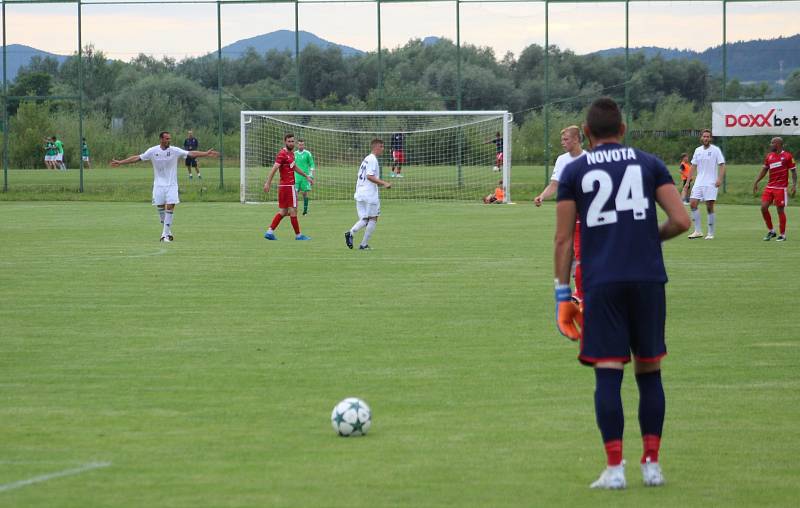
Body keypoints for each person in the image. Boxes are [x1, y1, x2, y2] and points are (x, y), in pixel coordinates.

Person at [554, 97, 690, 490]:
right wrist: (649, 239)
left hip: (603, 282)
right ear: (624, 129)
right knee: (649, 370)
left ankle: (615, 469)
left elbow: (564, 241)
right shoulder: (649, 163)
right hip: (648, 278)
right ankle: (652, 465)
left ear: (587, 131)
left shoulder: (576, 170)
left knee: (608, 372)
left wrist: (563, 295)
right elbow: (680, 220)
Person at [111, 131, 219, 242]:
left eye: (169, 139)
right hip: (158, 185)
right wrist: (120, 162)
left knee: (170, 206)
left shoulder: (174, 151)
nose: (169, 140)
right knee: (161, 207)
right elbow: (137, 158)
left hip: (171, 185)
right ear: (161, 139)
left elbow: (191, 153)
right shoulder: (152, 151)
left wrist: (206, 153)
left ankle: (164, 235)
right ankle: (167, 232)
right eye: (167, 139)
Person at [535, 125, 586, 301]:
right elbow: (554, 184)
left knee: (581, 253)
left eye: (566, 139)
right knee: (570, 253)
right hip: (568, 214)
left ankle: (581, 292)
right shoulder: (562, 160)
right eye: (562, 139)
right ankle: (580, 289)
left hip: (586, 214)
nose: (562, 143)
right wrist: (542, 196)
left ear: (577, 139)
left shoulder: (590, 159)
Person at [344, 138, 392, 250]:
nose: (382, 149)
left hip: (360, 192)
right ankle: (363, 244)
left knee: (365, 219)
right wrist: (384, 183)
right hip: (369, 194)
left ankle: (350, 233)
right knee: (373, 218)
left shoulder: (366, 158)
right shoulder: (373, 160)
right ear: (376, 147)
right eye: (381, 146)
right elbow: (369, 176)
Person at [264, 133, 313, 241]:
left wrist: (306, 176)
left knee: (284, 211)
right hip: (288, 186)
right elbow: (274, 168)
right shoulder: (282, 154)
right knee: (293, 211)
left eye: (292, 141)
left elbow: (294, 167)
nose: (291, 143)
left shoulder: (291, 154)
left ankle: (269, 232)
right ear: (285, 142)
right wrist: (268, 182)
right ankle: (299, 235)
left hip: (285, 186)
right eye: (289, 141)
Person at [683, 129, 725, 240]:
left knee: (709, 207)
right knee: (692, 204)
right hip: (699, 182)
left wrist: (719, 179)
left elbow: (722, 165)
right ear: (701, 138)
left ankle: (710, 233)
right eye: (704, 136)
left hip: (711, 182)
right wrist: (687, 182)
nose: (706, 138)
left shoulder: (716, 150)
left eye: (708, 136)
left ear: (710, 138)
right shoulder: (697, 150)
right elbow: (693, 166)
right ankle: (697, 231)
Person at [753, 137, 796, 241]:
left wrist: (794, 185)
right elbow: (764, 170)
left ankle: (782, 234)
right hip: (770, 187)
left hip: (781, 188)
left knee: (780, 210)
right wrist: (756, 181)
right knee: (763, 208)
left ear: (778, 144)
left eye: (772, 143)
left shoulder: (787, 156)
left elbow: (793, 172)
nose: (770, 144)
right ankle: (771, 231)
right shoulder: (769, 156)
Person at [294, 139, 316, 215]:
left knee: (304, 193)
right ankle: (294, 210)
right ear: (297, 145)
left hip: (305, 177)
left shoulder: (307, 154)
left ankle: (305, 211)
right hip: (296, 177)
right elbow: (291, 165)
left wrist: (311, 177)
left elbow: (312, 165)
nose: (301, 146)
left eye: (302, 144)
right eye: (300, 144)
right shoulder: (294, 154)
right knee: (295, 193)